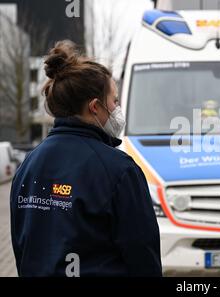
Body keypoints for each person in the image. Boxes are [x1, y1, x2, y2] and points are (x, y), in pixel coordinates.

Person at [10, 40, 162, 276]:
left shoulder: (28, 165)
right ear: (95, 107)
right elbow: (143, 257)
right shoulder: (120, 171)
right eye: (115, 101)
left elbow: (22, 246)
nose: (117, 108)